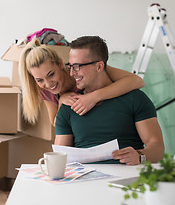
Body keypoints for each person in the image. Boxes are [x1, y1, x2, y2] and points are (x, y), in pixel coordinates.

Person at [54, 36, 164, 165]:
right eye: (70, 66)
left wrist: (140, 156)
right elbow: (59, 159)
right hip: (84, 181)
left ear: (99, 66)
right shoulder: (68, 106)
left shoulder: (135, 99)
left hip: (127, 179)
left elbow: (157, 149)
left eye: (77, 67)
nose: (72, 73)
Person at [19, 38, 145, 126]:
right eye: (40, 80)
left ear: (60, 64)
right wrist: (61, 101)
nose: (48, 84)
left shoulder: (82, 71)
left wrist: (93, 97)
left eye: (51, 74)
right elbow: (55, 123)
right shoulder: (44, 90)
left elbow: (137, 81)